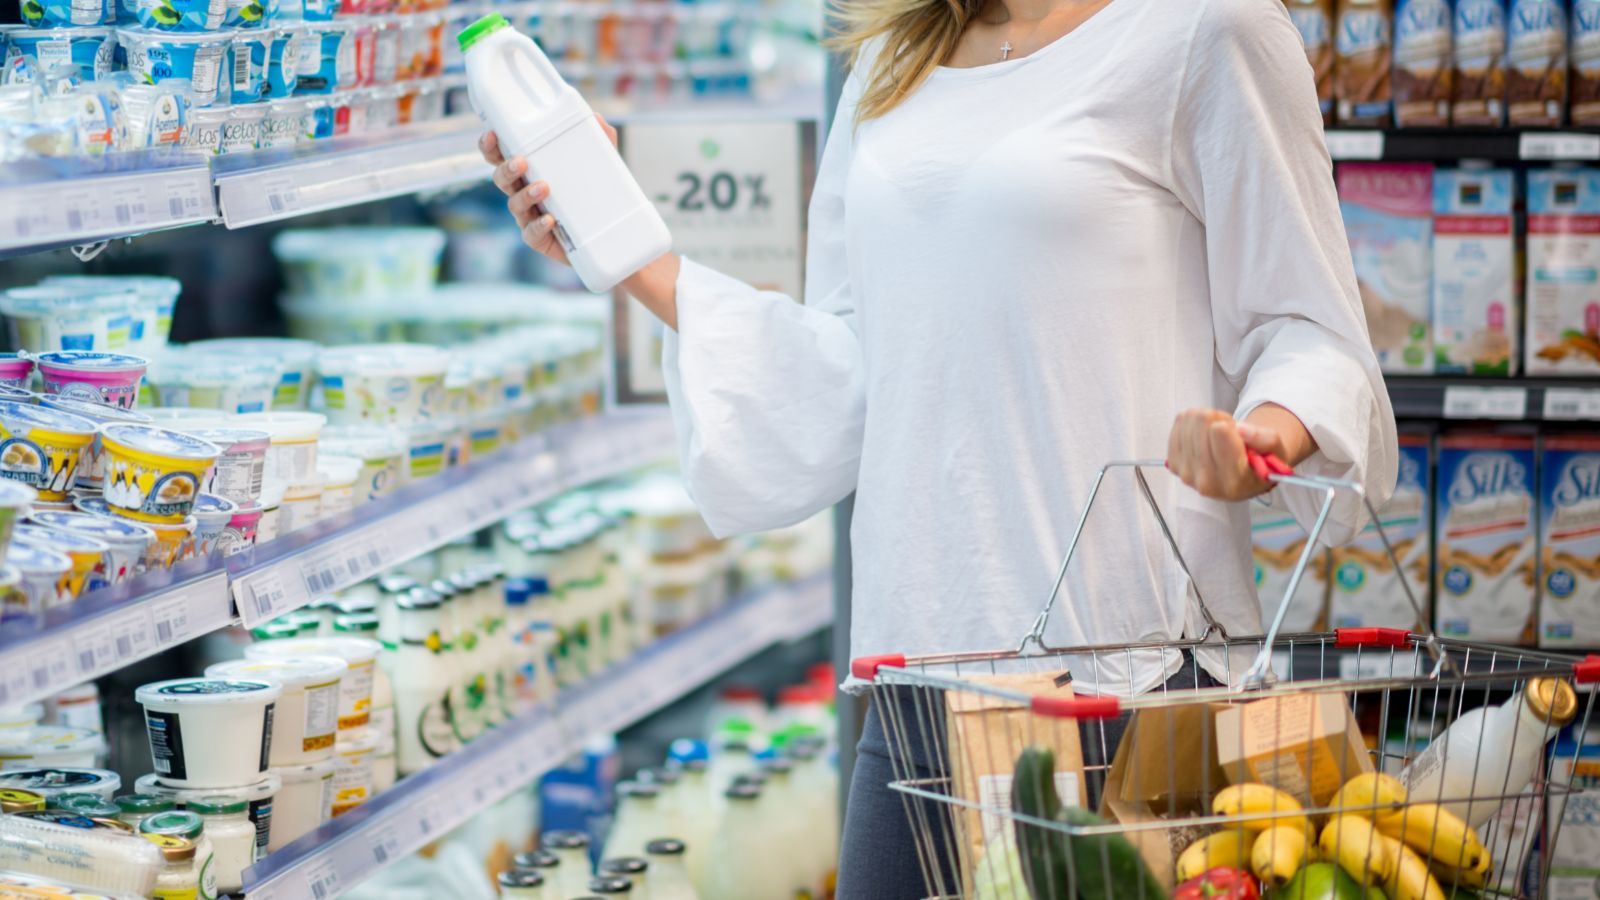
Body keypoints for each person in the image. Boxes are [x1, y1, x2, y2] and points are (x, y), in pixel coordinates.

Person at [480, 0, 1397, 893]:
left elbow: (1311, 326)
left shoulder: (1209, 29)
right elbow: (855, 367)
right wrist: (629, 256)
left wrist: (1264, 435)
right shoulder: (893, 57)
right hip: (923, 677)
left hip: (1125, 681)